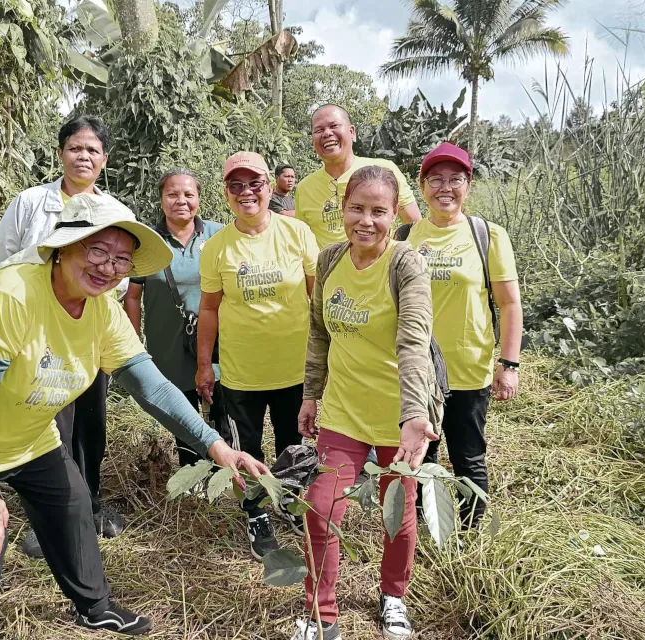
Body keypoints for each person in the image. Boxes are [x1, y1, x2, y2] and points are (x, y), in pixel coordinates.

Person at [0, 194, 269, 640]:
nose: (108, 268)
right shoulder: (9, 297)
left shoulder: (103, 312)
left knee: (71, 507)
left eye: (122, 260)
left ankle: (94, 607)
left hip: (26, 430)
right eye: (97, 251)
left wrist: (216, 445)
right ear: (64, 247)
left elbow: (152, 387)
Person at [293, 166, 439, 640]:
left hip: (398, 418)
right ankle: (321, 612)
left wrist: (416, 415)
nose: (366, 220)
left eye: (379, 211)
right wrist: (310, 394)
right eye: (357, 208)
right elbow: (317, 332)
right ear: (341, 210)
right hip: (342, 411)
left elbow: (414, 342)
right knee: (321, 508)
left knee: (397, 513)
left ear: (395, 214)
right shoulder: (330, 258)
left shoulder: (405, 264)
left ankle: (393, 595)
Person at [0, 115, 124, 556]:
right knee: (47, 424)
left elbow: (123, 277)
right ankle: (47, 519)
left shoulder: (116, 213)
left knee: (89, 423)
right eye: (75, 148)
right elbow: (2, 262)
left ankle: (91, 505)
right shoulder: (31, 203)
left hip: (90, 333)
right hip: (33, 335)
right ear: (61, 152)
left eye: (92, 150)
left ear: (104, 160)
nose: (83, 156)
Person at [196, 151, 319, 560]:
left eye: (254, 184)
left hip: (294, 369)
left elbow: (315, 300)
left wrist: (325, 361)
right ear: (227, 194)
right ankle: (256, 513)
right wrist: (203, 366)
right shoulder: (216, 248)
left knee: (293, 444)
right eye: (236, 186)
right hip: (240, 373)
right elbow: (209, 308)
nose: (246, 192)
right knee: (245, 450)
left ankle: (286, 500)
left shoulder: (297, 233)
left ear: (270, 187)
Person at [404, 141, 523, 528]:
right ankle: (429, 531)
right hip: (417, 371)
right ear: (422, 187)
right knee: (423, 455)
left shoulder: (486, 235)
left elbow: (509, 303)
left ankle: (471, 532)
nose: (445, 187)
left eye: (455, 179)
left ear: (468, 186)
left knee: (468, 454)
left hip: (468, 368)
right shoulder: (405, 236)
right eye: (435, 179)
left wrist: (509, 364)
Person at [124, 169, 228, 466]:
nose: (180, 201)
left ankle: (227, 470)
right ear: (161, 200)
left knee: (222, 406)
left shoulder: (218, 235)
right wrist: (133, 344)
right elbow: (132, 296)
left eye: (188, 194)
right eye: (172, 194)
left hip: (216, 343)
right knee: (182, 410)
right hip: (168, 344)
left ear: (199, 199)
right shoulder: (147, 241)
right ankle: (191, 471)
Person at [294, 104, 421, 249]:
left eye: (334, 125)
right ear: (312, 140)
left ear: (352, 132)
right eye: (319, 130)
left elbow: (415, 225)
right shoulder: (305, 188)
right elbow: (303, 242)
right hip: (330, 270)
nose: (327, 133)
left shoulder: (383, 172)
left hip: (380, 268)